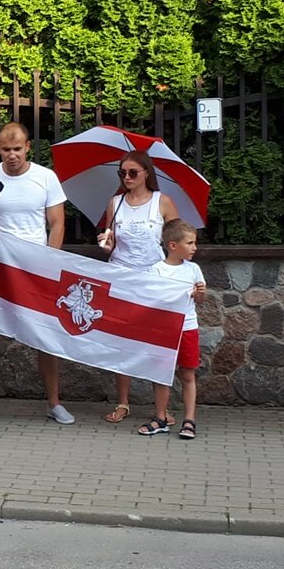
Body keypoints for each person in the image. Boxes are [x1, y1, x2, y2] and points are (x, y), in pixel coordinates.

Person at [0, 123, 72, 424]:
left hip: (36, 267)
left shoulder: (45, 177)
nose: (12, 155)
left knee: (45, 335)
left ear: (27, 147)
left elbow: (57, 223)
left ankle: (54, 403)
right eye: (6, 149)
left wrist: (49, 261)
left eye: (17, 149)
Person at [96, 149, 182, 424]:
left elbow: (178, 242)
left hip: (153, 279)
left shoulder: (162, 202)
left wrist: (175, 275)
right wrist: (107, 246)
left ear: (146, 173)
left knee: (157, 342)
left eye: (133, 172)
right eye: (122, 173)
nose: (127, 177)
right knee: (121, 342)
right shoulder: (116, 203)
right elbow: (112, 244)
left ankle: (161, 408)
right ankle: (123, 402)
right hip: (122, 277)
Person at [140, 219, 208, 439]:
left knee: (187, 373)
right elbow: (153, 299)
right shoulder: (156, 270)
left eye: (194, 243)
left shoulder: (193, 269)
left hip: (187, 327)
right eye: (189, 243)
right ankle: (160, 417)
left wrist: (199, 293)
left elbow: (200, 300)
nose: (194, 247)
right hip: (164, 330)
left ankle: (189, 420)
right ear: (173, 245)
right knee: (161, 374)